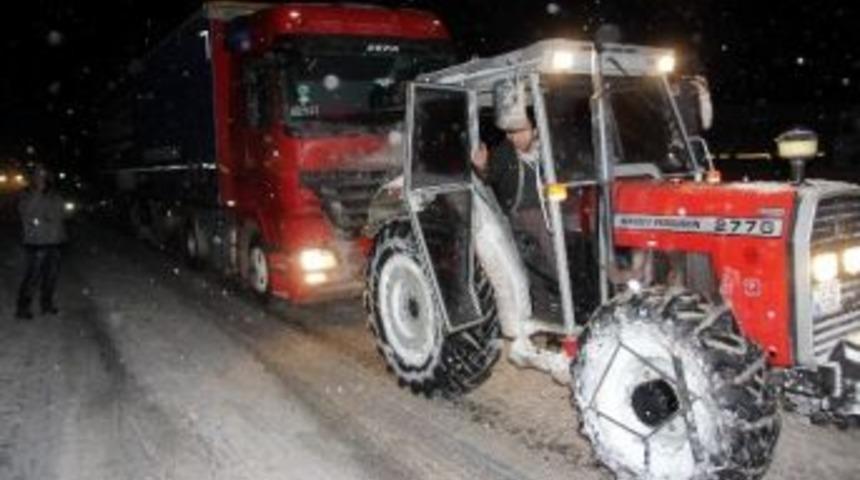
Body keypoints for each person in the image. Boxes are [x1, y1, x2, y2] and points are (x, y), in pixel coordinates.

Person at [15, 167, 67, 320]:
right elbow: (26, 211)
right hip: (37, 243)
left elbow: (62, 213)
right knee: (32, 278)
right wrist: (37, 193)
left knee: (51, 278)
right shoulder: (26, 194)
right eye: (38, 177)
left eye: (44, 177)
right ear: (33, 179)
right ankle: (22, 309)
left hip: (55, 242)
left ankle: (47, 305)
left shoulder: (54, 195)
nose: (42, 180)